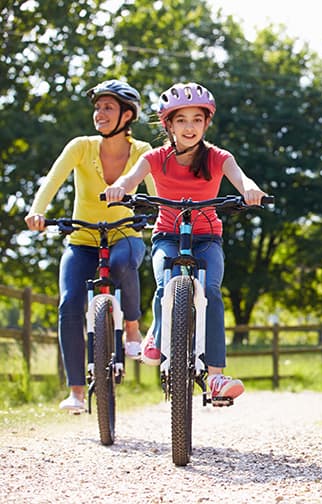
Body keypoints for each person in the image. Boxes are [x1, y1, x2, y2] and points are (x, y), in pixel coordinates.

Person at [104, 82, 267, 402]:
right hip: (167, 235)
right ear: (168, 125)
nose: (189, 127)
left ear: (207, 123)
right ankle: (158, 333)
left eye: (196, 119)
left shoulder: (219, 157)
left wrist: (251, 190)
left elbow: (242, 178)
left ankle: (216, 377)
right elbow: (129, 179)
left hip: (208, 238)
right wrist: (119, 188)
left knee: (210, 291)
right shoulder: (155, 158)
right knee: (166, 282)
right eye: (181, 120)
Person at [25, 79, 155, 412]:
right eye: (97, 107)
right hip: (82, 239)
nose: (99, 113)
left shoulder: (142, 152)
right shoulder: (80, 146)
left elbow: (157, 196)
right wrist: (37, 212)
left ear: (127, 115)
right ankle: (76, 392)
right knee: (69, 303)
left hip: (124, 234)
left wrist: (161, 217)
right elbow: (52, 180)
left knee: (126, 262)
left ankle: (131, 328)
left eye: (108, 107)